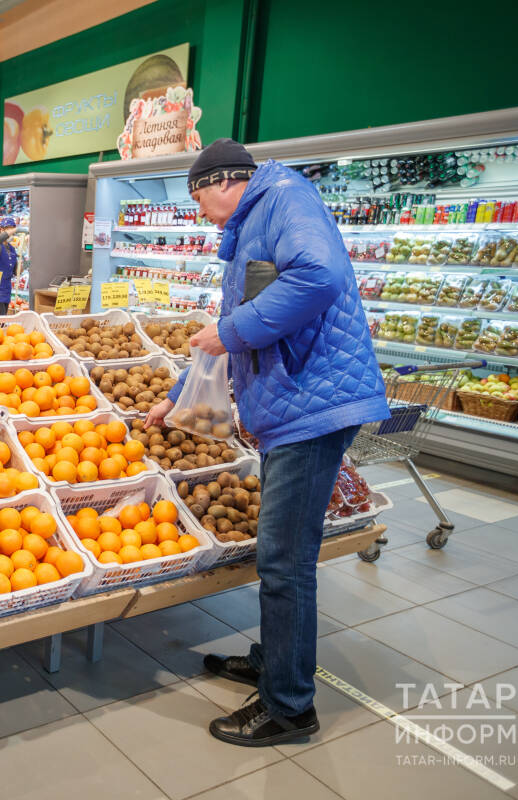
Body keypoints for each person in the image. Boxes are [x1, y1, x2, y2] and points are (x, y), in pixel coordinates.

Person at [143, 139, 390, 747]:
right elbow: (237, 329)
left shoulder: (284, 199)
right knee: (279, 557)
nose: (198, 210)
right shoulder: (256, 220)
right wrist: (178, 395)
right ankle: (272, 662)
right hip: (294, 405)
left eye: (197, 196)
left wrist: (231, 330)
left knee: (285, 561)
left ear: (222, 182)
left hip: (313, 408)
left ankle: (289, 706)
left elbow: (318, 276)